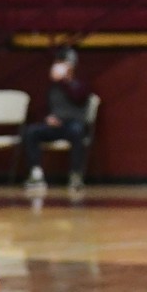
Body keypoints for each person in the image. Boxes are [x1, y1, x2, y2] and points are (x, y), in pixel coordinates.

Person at [23, 46, 92, 191]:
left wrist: (64, 81)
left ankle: (75, 175)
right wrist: (49, 118)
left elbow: (78, 97)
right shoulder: (53, 88)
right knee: (31, 132)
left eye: (61, 62)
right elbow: (49, 108)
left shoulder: (80, 83)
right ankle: (36, 174)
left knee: (77, 132)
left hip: (73, 124)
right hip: (56, 125)